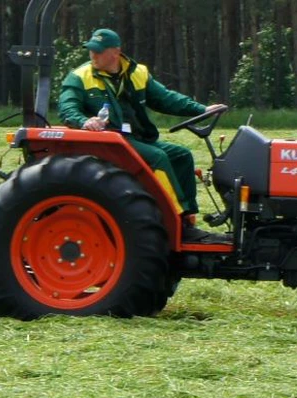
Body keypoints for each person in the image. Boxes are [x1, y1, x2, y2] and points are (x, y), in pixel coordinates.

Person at [58, 28, 227, 242]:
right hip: (109, 142)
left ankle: (188, 217)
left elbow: (166, 99)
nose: (93, 55)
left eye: (98, 51)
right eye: (91, 50)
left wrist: (202, 110)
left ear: (115, 52)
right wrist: (85, 121)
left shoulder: (138, 73)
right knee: (158, 157)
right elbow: (67, 109)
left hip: (135, 138)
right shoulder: (79, 78)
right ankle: (175, 220)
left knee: (182, 155)